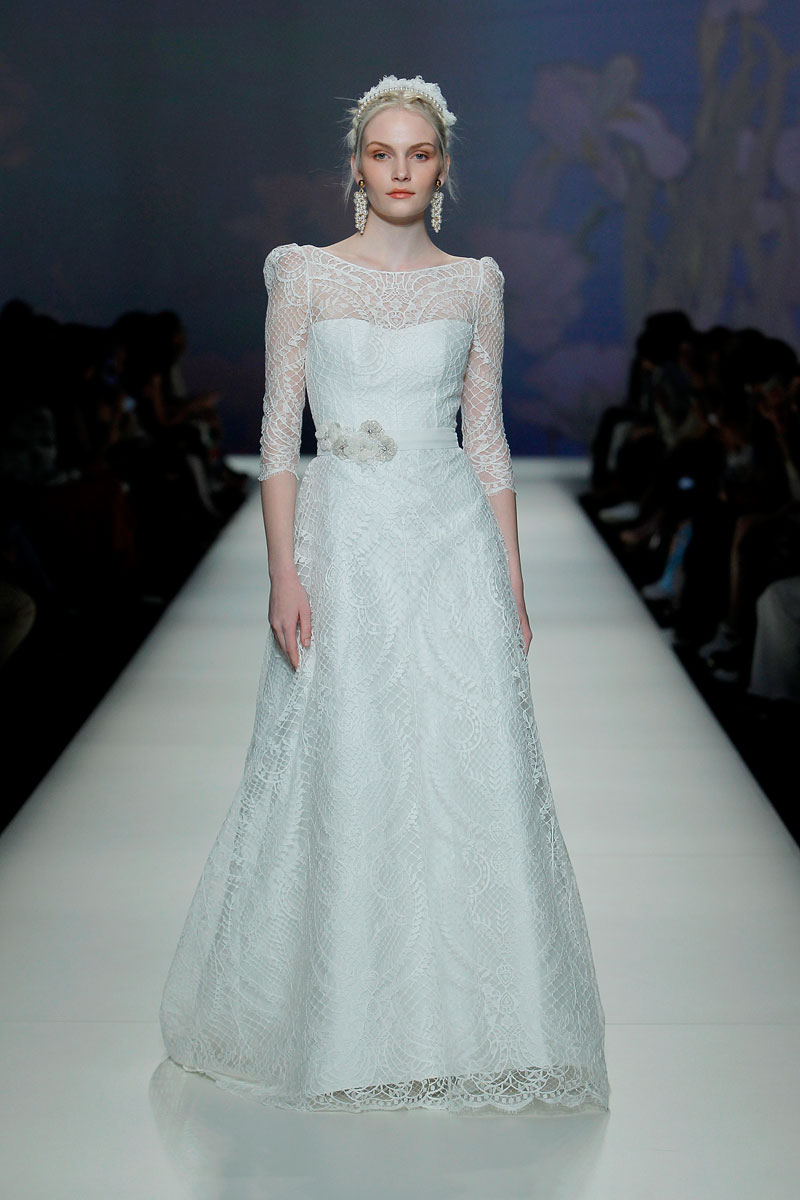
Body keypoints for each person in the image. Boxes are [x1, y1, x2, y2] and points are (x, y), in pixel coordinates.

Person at [159, 74, 610, 1116]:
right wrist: (284, 570)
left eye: (418, 153)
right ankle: (345, 1018)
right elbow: (279, 435)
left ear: (442, 168)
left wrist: (510, 582)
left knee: (462, 768)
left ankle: (479, 1022)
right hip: (346, 543)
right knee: (348, 761)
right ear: (355, 167)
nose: (399, 171)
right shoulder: (303, 274)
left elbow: (486, 439)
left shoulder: (476, 284)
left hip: (449, 542)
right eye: (381, 153)